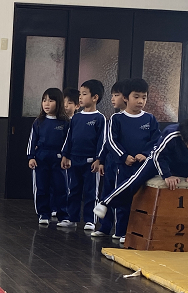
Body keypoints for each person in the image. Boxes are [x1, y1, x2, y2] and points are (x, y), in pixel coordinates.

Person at [94, 115, 188, 232]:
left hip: (187, 163)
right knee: (135, 179)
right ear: (184, 138)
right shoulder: (172, 133)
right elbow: (158, 156)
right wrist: (167, 175)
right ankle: (105, 203)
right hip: (160, 160)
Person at [98, 78, 159, 243]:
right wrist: (124, 156)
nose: (140, 101)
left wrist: (145, 154)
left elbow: (156, 141)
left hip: (142, 168)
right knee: (121, 198)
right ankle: (120, 232)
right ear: (126, 98)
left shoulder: (150, 119)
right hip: (122, 166)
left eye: (144, 97)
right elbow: (111, 141)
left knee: (140, 200)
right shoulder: (116, 119)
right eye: (136, 97)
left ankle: (133, 232)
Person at [59, 80, 106, 230]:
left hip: (91, 163)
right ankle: (71, 218)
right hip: (74, 160)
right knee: (73, 190)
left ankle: (90, 220)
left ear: (95, 97)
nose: (80, 97)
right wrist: (65, 155)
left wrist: (99, 159)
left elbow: (102, 141)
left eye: (84, 94)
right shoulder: (76, 118)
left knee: (91, 192)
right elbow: (69, 138)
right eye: (80, 94)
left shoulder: (100, 118)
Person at [91, 79, 128, 238]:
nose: (112, 99)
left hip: (125, 164)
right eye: (112, 95)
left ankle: (120, 231)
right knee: (106, 193)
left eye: (116, 95)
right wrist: (101, 160)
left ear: (126, 97)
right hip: (111, 162)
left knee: (120, 196)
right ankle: (104, 227)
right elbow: (108, 142)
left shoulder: (132, 119)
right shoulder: (114, 118)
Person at [27, 88, 69, 226]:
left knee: (61, 187)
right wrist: (31, 156)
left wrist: (66, 156)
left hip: (58, 159)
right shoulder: (38, 122)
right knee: (42, 187)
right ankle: (43, 214)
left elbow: (68, 142)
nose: (46, 103)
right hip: (41, 158)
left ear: (59, 103)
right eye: (44, 100)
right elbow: (32, 140)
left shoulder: (65, 122)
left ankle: (63, 215)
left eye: (51, 100)